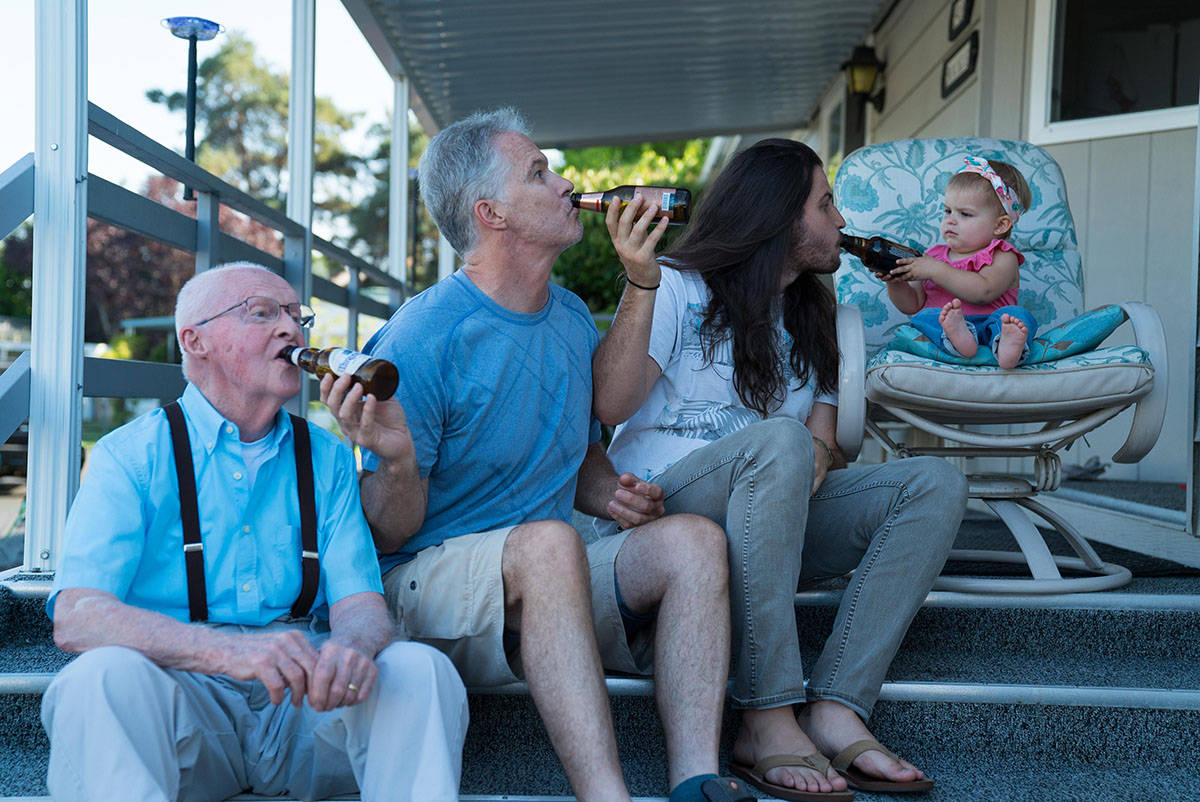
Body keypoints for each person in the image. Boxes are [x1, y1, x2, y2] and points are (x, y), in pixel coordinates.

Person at [321, 108, 748, 802]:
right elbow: (387, 531)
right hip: (428, 587)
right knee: (549, 546)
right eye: (539, 173)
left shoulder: (570, 314)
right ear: (492, 213)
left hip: (546, 580)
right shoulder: (421, 338)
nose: (566, 182)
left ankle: (695, 779)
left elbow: (592, 427)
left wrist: (608, 489)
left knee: (693, 543)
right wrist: (395, 464)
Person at [588, 138, 968, 801]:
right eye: (826, 204)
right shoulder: (675, 284)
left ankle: (838, 705)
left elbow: (824, 447)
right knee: (780, 442)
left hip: (770, 515)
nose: (841, 223)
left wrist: (816, 454)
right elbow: (611, 404)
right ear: (778, 215)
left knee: (935, 484)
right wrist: (639, 282)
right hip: (663, 510)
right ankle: (765, 714)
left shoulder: (814, 319)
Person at [41, 262, 469, 802]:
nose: (292, 330)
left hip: (305, 706)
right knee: (96, 680)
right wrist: (226, 653)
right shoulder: (128, 456)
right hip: (182, 708)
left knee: (419, 669)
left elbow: (360, 605)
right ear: (195, 341)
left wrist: (352, 650)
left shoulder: (330, 457)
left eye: (296, 315)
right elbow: (77, 616)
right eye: (263, 313)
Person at [882, 155, 1036, 369]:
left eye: (965, 214)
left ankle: (1006, 345)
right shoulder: (932, 256)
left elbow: (984, 291)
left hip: (991, 324)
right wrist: (896, 282)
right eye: (947, 211)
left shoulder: (1003, 255)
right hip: (948, 327)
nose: (950, 220)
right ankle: (959, 338)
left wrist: (937, 271)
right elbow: (912, 304)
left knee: (1019, 317)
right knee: (924, 317)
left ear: (1000, 226)